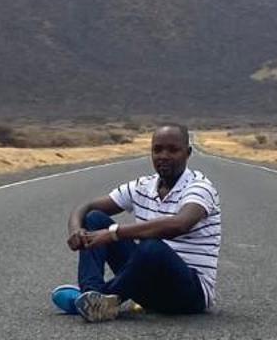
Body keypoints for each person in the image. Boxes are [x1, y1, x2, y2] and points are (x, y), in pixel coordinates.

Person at [53, 123, 221, 322]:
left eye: (173, 150)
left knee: (152, 247)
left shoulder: (200, 187)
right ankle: (93, 297)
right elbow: (87, 206)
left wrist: (113, 233)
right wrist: (76, 230)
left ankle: (91, 300)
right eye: (157, 150)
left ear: (188, 152)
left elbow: (179, 225)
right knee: (94, 219)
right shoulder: (143, 186)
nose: (164, 156)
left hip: (189, 295)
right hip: (148, 286)